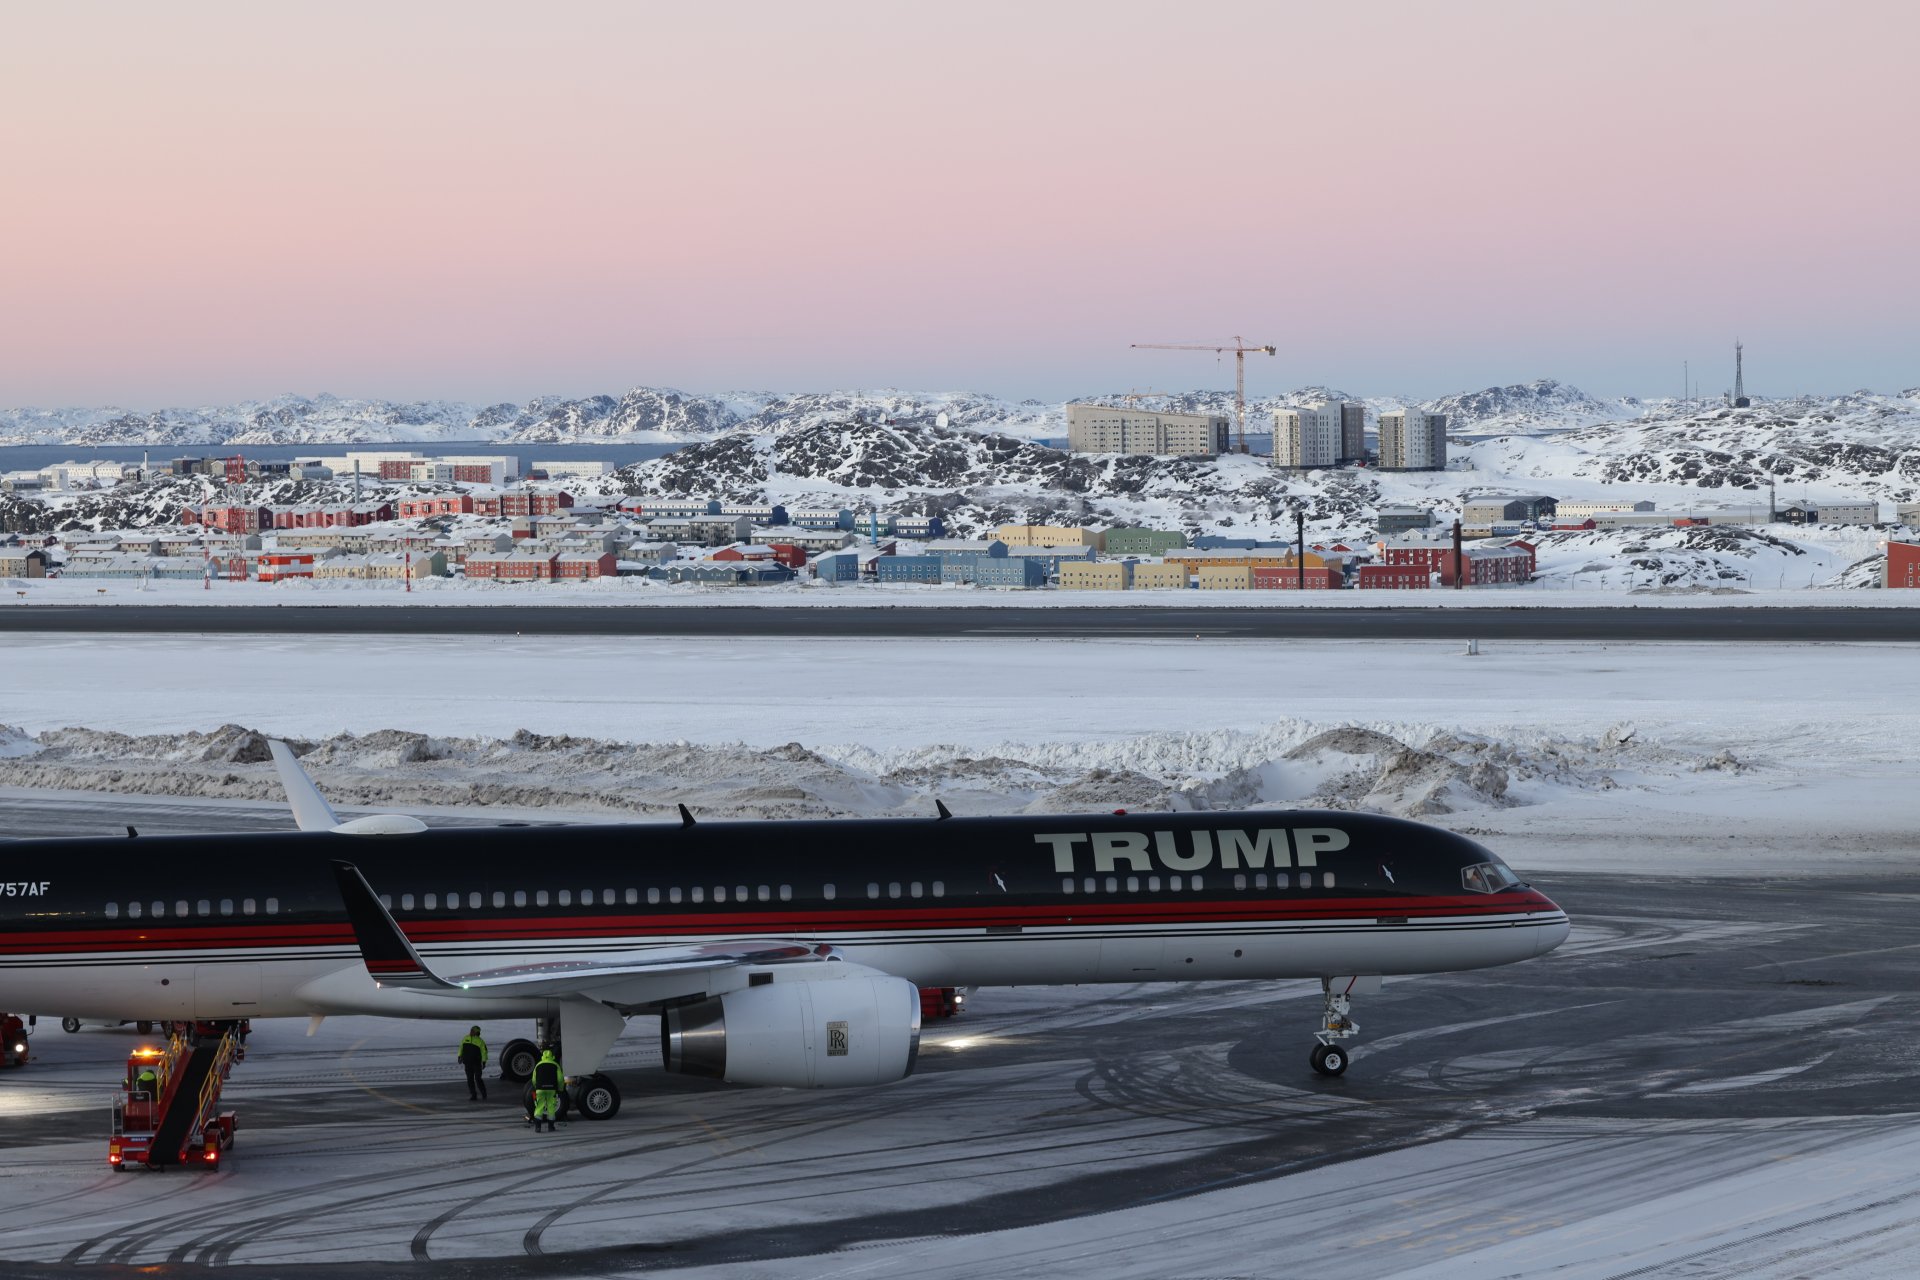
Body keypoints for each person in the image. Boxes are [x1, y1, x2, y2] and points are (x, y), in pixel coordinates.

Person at [530, 1048, 563, 1132]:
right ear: (552, 1056)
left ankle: (538, 1127)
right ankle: (551, 1127)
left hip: (540, 1089)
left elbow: (534, 1079)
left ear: (543, 1056)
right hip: (551, 1089)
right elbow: (560, 1079)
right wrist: (560, 1089)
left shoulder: (538, 1065)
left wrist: (535, 1087)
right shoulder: (555, 1065)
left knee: (539, 1106)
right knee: (551, 1106)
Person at [457, 1026, 489, 1101]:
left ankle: (483, 1093)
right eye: (471, 1030)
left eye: (473, 1030)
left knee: (478, 1079)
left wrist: (484, 1062)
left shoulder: (480, 1041)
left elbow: (484, 1052)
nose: (471, 1031)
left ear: (477, 1032)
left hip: (476, 1063)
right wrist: (459, 1056)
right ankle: (473, 1095)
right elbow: (461, 1047)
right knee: (470, 1079)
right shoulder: (465, 1038)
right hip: (467, 1063)